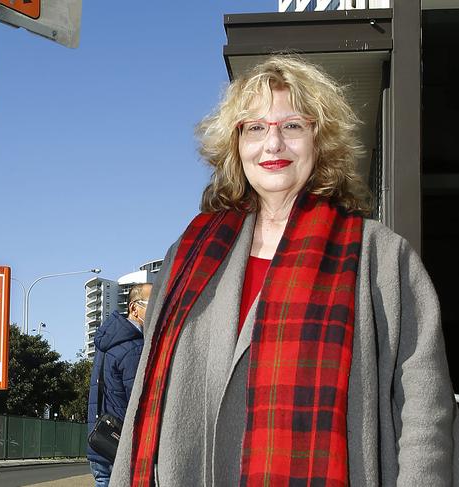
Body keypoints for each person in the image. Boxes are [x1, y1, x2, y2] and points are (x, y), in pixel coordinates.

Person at [110, 56, 459, 486]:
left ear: (320, 138)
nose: (272, 145)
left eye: (292, 126)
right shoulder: (188, 256)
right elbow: (146, 391)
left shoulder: (380, 257)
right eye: (255, 127)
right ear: (235, 144)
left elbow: (425, 410)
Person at [88, 282, 152, 486]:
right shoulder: (134, 348)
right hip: (122, 446)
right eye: (153, 304)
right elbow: (140, 401)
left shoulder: (105, 344)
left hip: (100, 442)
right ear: (134, 308)